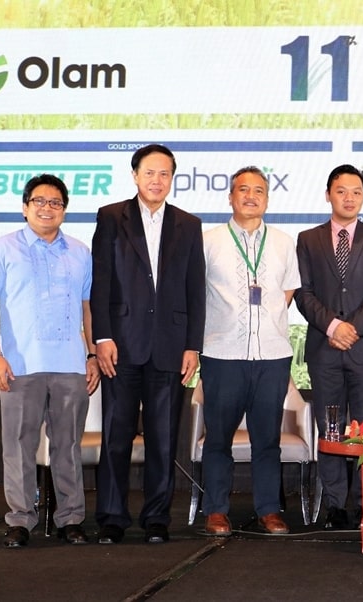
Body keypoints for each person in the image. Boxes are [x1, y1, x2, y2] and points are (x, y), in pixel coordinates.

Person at [0, 174, 101, 548]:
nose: (47, 208)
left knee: (68, 445)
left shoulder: (80, 252)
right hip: (20, 364)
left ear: (64, 209)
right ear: (25, 206)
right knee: (19, 444)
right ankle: (20, 520)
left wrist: (92, 353)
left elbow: (87, 307)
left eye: (56, 203)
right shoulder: (4, 249)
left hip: (71, 365)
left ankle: (71, 518)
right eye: (40, 201)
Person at [90, 144, 206, 545]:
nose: (157, 180)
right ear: (135, 175)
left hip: (170, 347)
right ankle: (111, 517)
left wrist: (193, 345)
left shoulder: (189, 225)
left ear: (172, 178)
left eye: (165, 174)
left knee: (163, 438)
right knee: (115, 436)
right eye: (150, 173)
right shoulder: (111, 218)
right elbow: (100, 281)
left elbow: (196, 289)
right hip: (120, 345)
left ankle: (157, 516)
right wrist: (101, 337)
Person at [199, 166, 300, 537]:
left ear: (268, 199)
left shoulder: (284, 242)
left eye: (259, 190)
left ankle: (269, 510)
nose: (251, 196)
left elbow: (286, 292)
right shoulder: (208, 242)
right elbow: (197, 297)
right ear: (230, 196)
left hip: (271, 355)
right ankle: (216, 510)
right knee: (219, 437)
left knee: (267, 439)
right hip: (221, 353)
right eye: (243, 189)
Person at [296, 164, 363, 530]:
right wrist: (333, 326)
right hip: (325, 349)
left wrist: (352, 327)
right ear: (328, 195)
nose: (349, 197)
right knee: (331, 427)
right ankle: (336, 503)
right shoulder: (308, 239)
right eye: (341, 191)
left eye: (356, 191)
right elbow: (303, 293)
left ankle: (362, 502)